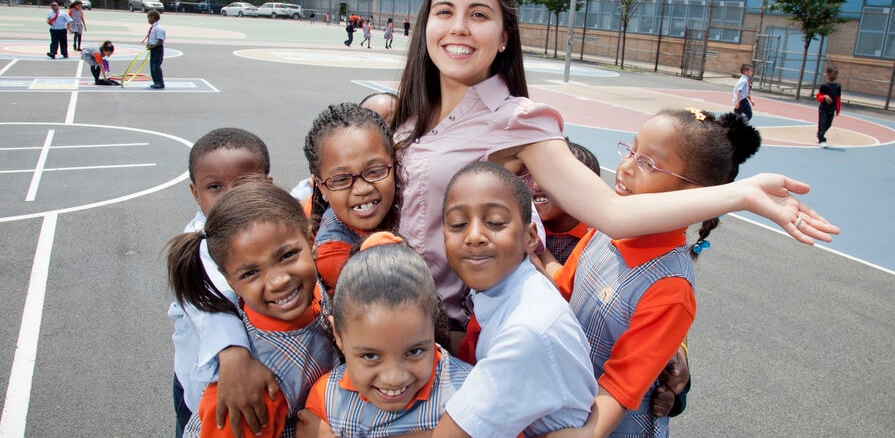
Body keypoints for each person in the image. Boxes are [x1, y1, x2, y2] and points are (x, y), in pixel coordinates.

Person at [389, 0, 837, 332]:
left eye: (479, 14)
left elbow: (614, 214)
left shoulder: (518, 122)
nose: (459, 27)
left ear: (505, 35)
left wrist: (741, 194)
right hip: (378, 308)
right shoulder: (409, 115)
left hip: (441, 337)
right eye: (444, 11)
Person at [549, 108, 762, 437]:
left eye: (648, 163)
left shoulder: (670, 290)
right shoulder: (605, 228)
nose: (625, 168)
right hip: (563, 403)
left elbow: (619, 390)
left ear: (694, 198)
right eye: (631, 150)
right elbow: (560, 291)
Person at [433, 162, 596, 437]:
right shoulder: (510, 287)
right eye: (458, 224)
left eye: (495, 222)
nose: (474, 236)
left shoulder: (525, 333)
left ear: (530, 237)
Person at [167, 181, 340, 438]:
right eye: (251, 272)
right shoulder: (249, 393)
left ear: (311, 243)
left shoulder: (313, 290)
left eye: (287, 256)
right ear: (229, 281)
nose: (278, 280)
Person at [297, 232, 472, 437]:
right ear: (338, 335)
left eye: (414, 351)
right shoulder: (325, 401)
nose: (394, 378)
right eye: (370, 356)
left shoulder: (471, 398)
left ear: (433, 322)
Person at [168, 128, 282, 438]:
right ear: (196, 193)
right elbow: (210, 303)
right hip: (203, 388)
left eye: (244, 183)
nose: (231, 195)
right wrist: (232, 353)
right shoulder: (199, 245)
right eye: (215, 186)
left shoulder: (270, 221)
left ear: (268, 186)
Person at [302, 103, 397, 295]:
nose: (362, 189)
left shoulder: (406, 204)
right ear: (322, 189)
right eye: (341, 179)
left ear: (395, 164)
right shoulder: (334, 257)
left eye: (375, 171)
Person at [532, 139, 600, 265]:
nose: (536, 185)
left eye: (553, 177)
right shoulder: (524, 220)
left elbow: (565, 284)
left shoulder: (594, 241)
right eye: (534, 173)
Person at [816, 66, 842, 148]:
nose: (836, 76)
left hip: (832, 109)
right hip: (823, 108)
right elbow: (818, 97)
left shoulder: (838, 86)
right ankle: (822, 139)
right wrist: (825, 97)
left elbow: (838, 98)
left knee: (828, 124)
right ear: (828, 74)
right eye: (834, 74)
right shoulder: (824, 86)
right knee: (822, 123)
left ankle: (820, 134)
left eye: (837, 74)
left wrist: (837, 109)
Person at [145, 10, 166, 89]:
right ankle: (155, 82)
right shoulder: (153, 27)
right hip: (153, 48)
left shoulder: (158, 28)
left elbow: (160, 41)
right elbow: (152, 38)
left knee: (155, 66)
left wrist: (152, 46)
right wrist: (149, 44)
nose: (148, 20)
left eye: (149, 18)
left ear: (153, 17)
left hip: (157, 49)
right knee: (152, 66)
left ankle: (160, 83)